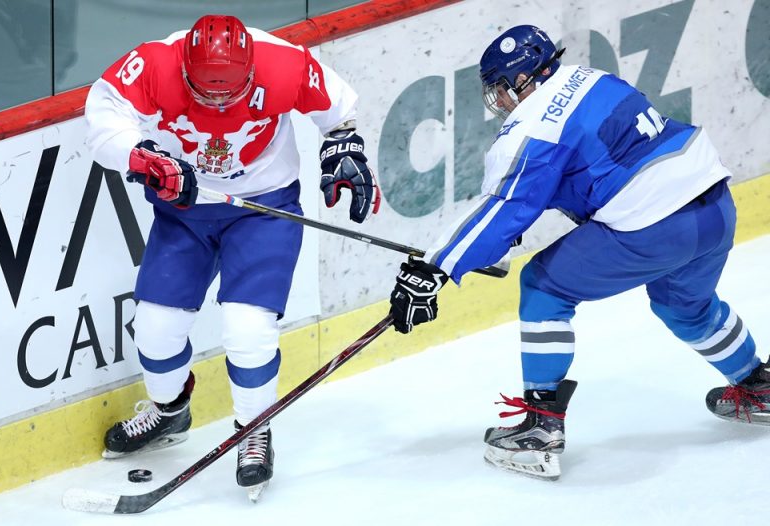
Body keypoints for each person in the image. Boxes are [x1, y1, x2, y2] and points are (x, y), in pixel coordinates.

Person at [388, 24, 767, 480]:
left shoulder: (533, 124)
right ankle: (758, 385)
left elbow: (506, 207)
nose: (502, 102)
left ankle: (540, 428)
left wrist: (436, 266)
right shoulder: (591, 78)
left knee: (543, 287)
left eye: (502, 90)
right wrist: (486, 245)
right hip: (714, 208)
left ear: (524, 81)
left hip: (654, 226)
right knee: (685, 306)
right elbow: (578, 176)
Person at [85, 14, 378, 500]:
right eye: (206, 93)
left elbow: (339, 112)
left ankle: (254, 430)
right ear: (184, 71)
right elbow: (103, 113)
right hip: (185, 211)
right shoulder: (156, 62)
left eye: (229, 92)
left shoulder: (283, 62)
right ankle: (170, 410)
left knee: (247, 332)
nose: (218, 102)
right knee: (155, 333)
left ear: (250, 70)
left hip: (263, 210)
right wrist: (143, 156)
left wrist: (344, 147)